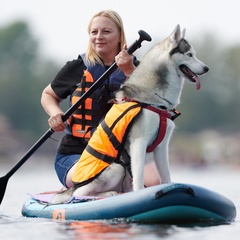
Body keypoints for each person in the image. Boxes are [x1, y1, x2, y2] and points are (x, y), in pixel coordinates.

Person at [41, 9, 160, 189]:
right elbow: (48, 95)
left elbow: (152, 104)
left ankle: (108, 186)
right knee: (102, 176)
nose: (99, 37)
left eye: (106, 31)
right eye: (94, 32)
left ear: (120, 36)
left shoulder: (136, 69)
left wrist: (129, 71)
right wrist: (56, 113)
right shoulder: (77, 67)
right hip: (76, 153)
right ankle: (80, 186)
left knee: (153, 181)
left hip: (121, 153)